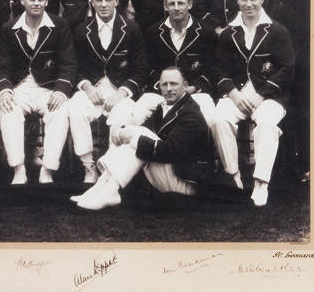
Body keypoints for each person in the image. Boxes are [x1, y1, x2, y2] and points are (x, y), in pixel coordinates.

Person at [70, 67, 211, 210]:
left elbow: (170, 151)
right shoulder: (165, 106)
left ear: (185, 86)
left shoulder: (190, 113)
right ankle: (101, 187)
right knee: (134, 133)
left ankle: (111, 189)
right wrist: (122, 131)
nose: (168, 88)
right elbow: (144, 129)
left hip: (186, 183)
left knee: (137, 136)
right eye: (164, 84)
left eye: (173, 84)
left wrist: (130, 136)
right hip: (169, 172)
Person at [210, 0, 295, 206]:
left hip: (268, 96)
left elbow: (287, 68)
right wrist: (234, 95)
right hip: (236, 94)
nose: (248, 4)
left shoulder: (277, 31)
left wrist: (262, 94)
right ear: (237, 0)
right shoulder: (228, 33)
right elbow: (219, 69)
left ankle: (260, 183)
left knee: (267, 124)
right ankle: (233, 175)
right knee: (218, 119)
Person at [0, 0, 76, 184]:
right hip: (19, 88)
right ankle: (18, 168)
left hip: (48, 88)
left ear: (47, 1)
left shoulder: (59, 26)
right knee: (8, 111)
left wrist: (61, 91)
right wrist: (5, 91)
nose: (36, 3)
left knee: (60, 112)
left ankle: (47, 170)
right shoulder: (9, 28)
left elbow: (68, 64)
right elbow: (3, 66)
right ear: (23, 0)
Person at [68, 0, 148, 183]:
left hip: (120, 91)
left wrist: (121, 93)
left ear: (116, 1)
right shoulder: (81, 29)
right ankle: (89, 166)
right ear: (91, 2)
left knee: (123, 114)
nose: (103, 4)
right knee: (75, 107)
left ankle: (111, 170)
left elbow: (140, 70)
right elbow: (74, 67)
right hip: (92, 90)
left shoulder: (131, 29)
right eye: (99, 0)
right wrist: (87, 87)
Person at [264, 0, 311, 182]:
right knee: (279, 109)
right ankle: (282, 166)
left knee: (303, 110)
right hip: (278, 58)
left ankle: (306, 165)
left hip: (306, 55)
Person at [132, 0, 217, 126]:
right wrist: (165, 88)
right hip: (160, 92)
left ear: (190, 5)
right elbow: (148, 68)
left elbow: (210, 69)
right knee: (135, 115)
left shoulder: (206, 33)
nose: (176, 8)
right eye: (172, 3)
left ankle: (207, 149)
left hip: (195, 93)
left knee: (210, 119)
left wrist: (192, 88)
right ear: (165, 6)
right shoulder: (153, 33)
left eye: (181, 3)